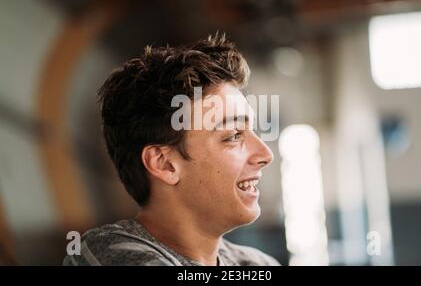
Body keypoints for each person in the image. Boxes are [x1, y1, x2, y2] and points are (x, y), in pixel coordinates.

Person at [63, 33, 278, 266]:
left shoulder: (259, 264)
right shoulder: (108, 254)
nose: (266, 154)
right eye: (233, 136)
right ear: (164, 163)